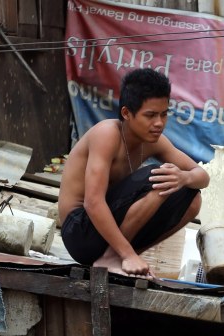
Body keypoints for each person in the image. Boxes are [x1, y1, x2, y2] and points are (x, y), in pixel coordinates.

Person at [59, 68, 209, 278]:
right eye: (150, 115)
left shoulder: (154, 142)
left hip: (107, 235)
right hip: (79, 232)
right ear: (127, 114)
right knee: (159, 176)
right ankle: (117, 256)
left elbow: (202, 176)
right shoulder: (107, 134)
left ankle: (126, 258)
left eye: (164, 114)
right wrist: (126, 252)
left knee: (192, 197)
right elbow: (92, 202)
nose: (159, 123)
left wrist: (184, 177)